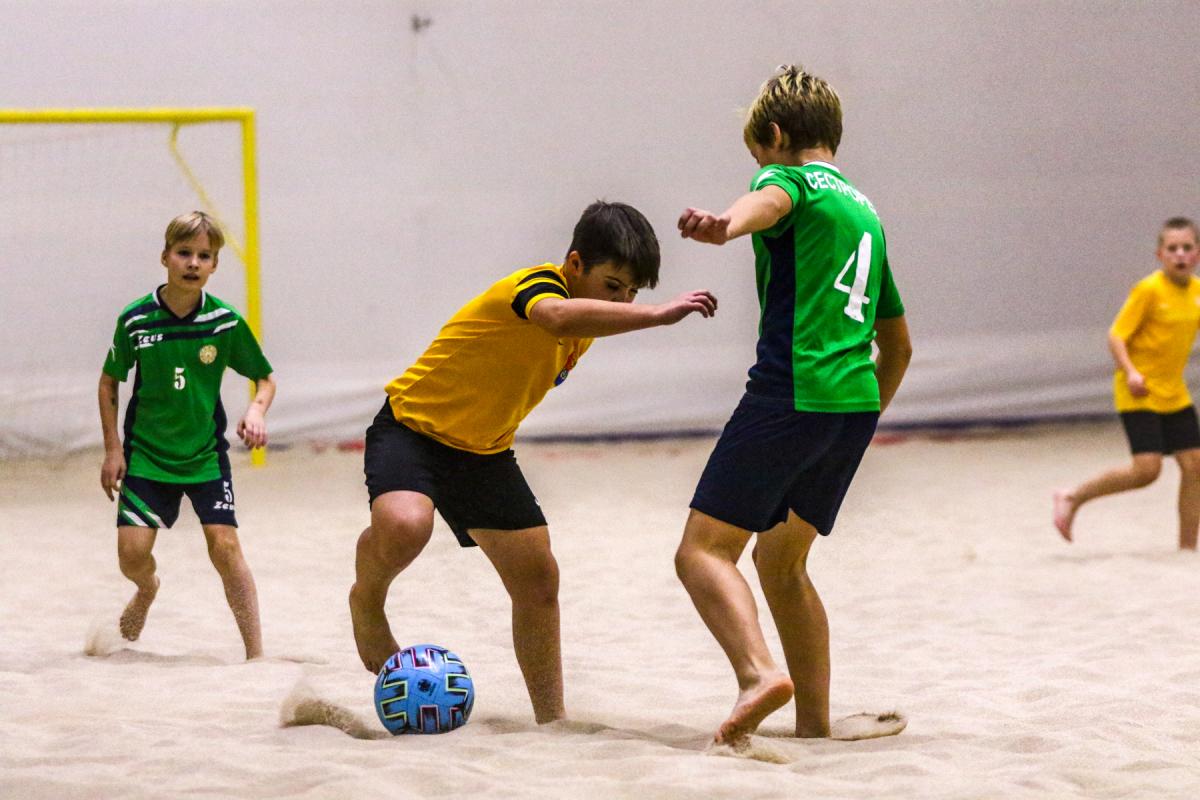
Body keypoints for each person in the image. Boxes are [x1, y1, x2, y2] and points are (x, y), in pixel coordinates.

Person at [349, 201, 717, 723]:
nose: (622, 302)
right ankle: (367, 600)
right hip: (412, 430)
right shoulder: (537, 287)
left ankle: (552, 719)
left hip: (484, 453)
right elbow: (554, 316)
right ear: (574, 264)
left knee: (539, 580)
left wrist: (630, 306)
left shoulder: (589, 323)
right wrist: (658, 314)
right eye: (613, 286)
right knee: (406, 526)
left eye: (633, 293)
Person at [673, 65, 913, 745]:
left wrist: (726, 225)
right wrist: (857, 419)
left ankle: (757, 676)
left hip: (790, 392)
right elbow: (899, 346)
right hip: (853, 404)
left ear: (775, 136)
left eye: (757, 155)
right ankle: (813, 723)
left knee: (702, 553)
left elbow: (770, 202)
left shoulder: (790, 181)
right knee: (782, 565)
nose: (759, 169)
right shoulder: (865, 214)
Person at [99, 210, 276, 660]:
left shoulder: (224, 322)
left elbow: (265, 378)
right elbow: (109, 382)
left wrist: (256, 410)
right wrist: (113, 450)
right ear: (165, 257)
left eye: (204, 255)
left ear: (215, 264)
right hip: (147, 456)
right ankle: (147, 589)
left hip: (204, 457)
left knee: (225, 546)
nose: (193, 263)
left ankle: (256, 654)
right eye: (184, 253)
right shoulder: (136, 320)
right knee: (131, 555)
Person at [1054, 217, 1200, 550]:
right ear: (1160, 255)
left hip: (1174, 393)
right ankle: (1073, 497)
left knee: (1195, 466)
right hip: (1139, 391)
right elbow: (1116, 336)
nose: (1180, 254)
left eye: (1186, 247)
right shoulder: (1149, 290)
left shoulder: (1197, 293)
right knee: (1147, 470)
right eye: (1172, 248)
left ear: (1197, 253)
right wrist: (1131, 372)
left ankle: (1188, 549)